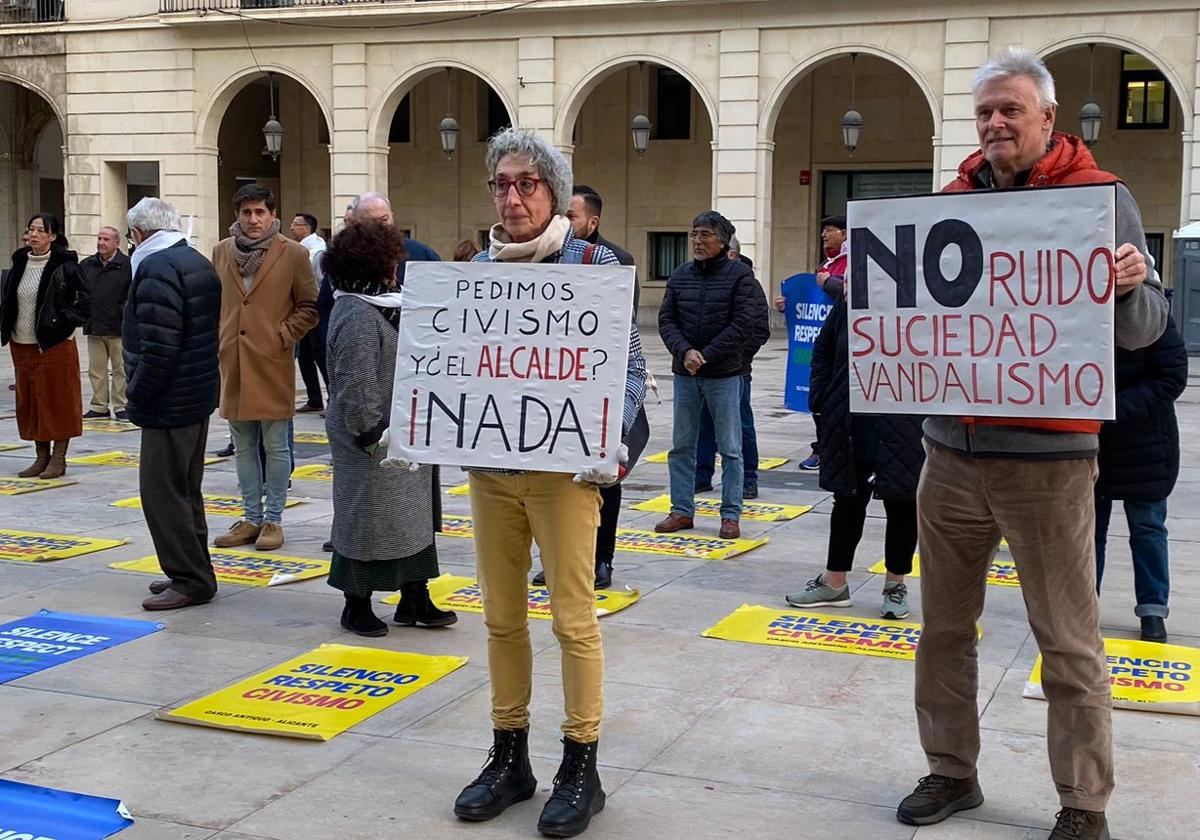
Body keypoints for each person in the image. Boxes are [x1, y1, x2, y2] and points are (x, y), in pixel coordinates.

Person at [899, 47, 1168, 840]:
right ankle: (951, 772)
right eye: (985, 111)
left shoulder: (1099, 198)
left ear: (1048, 117)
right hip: (949, 456)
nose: (994, 123)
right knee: (942, 630)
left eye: (1011, 109)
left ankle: (1083, 803)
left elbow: (1147, 330)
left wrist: (1132, 285)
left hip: (1050, 463)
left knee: (1068, 641)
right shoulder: (950, 201)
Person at [449, 128, 646, 838]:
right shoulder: (476, 270)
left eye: (526, 184)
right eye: (501, 183)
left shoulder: (595, 263)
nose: (511, 196)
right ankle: (509, 758)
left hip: (565, 476)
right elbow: (456, 364)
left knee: (572, 618)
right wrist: (418, 424)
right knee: (501, 616)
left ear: (554, 193)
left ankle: (581, 764)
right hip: (492, 473)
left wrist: (611, 439)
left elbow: (629, 370)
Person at [322, 218, 456, 636]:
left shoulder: (385, 303)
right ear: (372, 265)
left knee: (412, 519)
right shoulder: (355, 312)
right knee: (367, 520)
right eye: (390, 261)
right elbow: (355, 386)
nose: (395, 269)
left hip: (405, 431)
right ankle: (355, 602)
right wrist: (373, 436)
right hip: (372, 440)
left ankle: (414, 597)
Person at [783, 286, 922, 619]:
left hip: (903, 416)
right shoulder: (852, 295)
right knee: (847, 498)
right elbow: (824, 348)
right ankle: (834, 583)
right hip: (851, 414)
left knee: (903, 502)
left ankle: (895, 585)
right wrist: (822, 397)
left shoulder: (921, 290)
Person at [529, 183, 642, 590]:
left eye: (571, 216)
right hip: (551, 393)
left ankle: (601, 560)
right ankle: (556, 559)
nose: (563, 222)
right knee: (553, 485)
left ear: (591, 222)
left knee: (603, 484)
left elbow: (622, 334)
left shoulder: (614, 261)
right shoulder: (539, 259)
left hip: (596, 393)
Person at [123, 198, 221, 611]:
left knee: (162, 493)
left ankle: (190, 579)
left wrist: (138, 394)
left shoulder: (156, 268)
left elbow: (158, 346)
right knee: (185, 489)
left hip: (170, 399)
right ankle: (194, 571)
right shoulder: (194, 260)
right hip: (195, 393)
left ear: (139, 234)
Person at [211, 184, 318, 552]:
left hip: (271, 361)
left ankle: (273, 518)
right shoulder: (222, 251)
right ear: (237, 215)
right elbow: (218, 302)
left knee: (275, 445)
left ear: (273, 215)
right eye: (246, 213)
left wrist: (281, 336)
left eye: (260, 212)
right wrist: (221, 339)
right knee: (242, 445)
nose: (253, 220)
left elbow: (309, 307)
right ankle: (249, 517)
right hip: (234, 361)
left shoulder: (293, 253)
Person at [655, 211, 765, 540]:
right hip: (685, 373)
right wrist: (685, 351)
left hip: (724, 374)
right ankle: (681, 510)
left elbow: (743, 324)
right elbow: (666, 319)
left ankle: (730, 514)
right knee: (682, 445)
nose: (698, 241)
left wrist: (707, 355)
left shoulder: (740, 277)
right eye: (694, 235)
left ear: (722, 240)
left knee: (731, 447)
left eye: (705, 235)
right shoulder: (679, 275)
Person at [1095, 316, 1187, 644]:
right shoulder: (1079, 311)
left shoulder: (1154, 313)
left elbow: (1172, 376)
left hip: (1145, 443)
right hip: (1095, 443)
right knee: (1088, 532)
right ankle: (1085, 608)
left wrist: (1114, 408)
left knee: (1147, 528)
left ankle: (1153, 610)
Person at [1, 213, 88, 479]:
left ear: (52, 236)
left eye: (41, 230)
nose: (34, 234)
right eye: (31, 229)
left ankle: (59, 458)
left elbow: (84, 303)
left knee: (58, 401)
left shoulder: (66, 265)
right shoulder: (19, 262)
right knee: (32, 402)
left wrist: (63, 323)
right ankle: (41, 456)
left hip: (55, 344)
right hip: (22, 343)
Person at [694, 242, 769, 499]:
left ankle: (749, 479)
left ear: (731, 254)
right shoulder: (701, 279)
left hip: (735, 371)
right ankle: (701, 476)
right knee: (703, 426)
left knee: (740, 426)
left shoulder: (749, 285)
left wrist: (737, 358)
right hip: (702, 369)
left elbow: (759, 330)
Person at [774, 215, 847, 472]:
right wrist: (789, 305)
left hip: (843, 347)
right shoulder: (826, 263)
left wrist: (828, 282)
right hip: (821, 347)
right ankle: (823, 446)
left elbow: (854, 293)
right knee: (818, 398)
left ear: (845, 234)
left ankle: (829, 449)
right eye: (823, 231)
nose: (824, 235)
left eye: (829, 230)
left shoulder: (854, 262)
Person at [79, 226, 132, 420]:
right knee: (96, 370)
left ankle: (121, 406)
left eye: (106, 239)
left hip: (119, 327)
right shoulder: (87, 265)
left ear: (117, 243)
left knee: (121, 369)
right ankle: (99, 406)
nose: (101, 242)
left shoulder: (128, 265)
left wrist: (123, 313)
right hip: (94, 326)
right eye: (100, 238)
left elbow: (131, 295)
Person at [290, 212, 328, 413]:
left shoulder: (318, 252)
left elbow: (322, 284)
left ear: (307, 228)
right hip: (302, 311)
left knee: (320, 355)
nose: (292, 228)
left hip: (316, 311)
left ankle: (332, 399)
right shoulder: (299, 250)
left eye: (296, 224)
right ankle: (314, 399)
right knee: (304, 356)